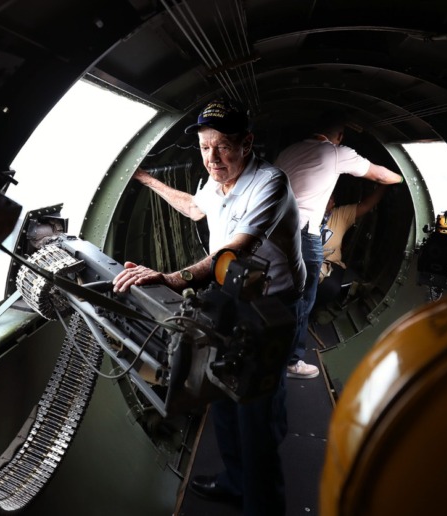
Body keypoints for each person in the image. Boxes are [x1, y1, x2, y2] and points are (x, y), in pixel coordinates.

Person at [112, 97, 306, 516]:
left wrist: (169, 278)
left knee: (256, 407)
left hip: (269, 301)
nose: (212, 158)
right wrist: (146, 180)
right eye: (204, 148)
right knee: (219, 390)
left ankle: (263, 504)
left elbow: (233, 253)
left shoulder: (269, 183)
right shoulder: (216, 180)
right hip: (228, 293)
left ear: (246, 143)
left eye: (222, 146)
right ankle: (236, 482)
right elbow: (197, 207)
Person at [274, 109, 403, 378]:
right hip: (302, 236)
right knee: (301, 299)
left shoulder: (287, 152)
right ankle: (291, 361)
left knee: (275, 291)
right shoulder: (335, 153)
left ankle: (266, 346)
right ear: (340, 136)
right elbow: (380, 176)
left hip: (273, 233)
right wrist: (400, 178)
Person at [315, 181, 390, 311]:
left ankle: (310, 311)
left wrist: (386, 184)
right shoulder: (304, 214)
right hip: (304, 259)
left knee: (330, 287)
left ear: (333, 204)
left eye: (331, 197)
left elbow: (366, 205)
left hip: (330, 263)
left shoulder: (340, 215)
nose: (328, 199)